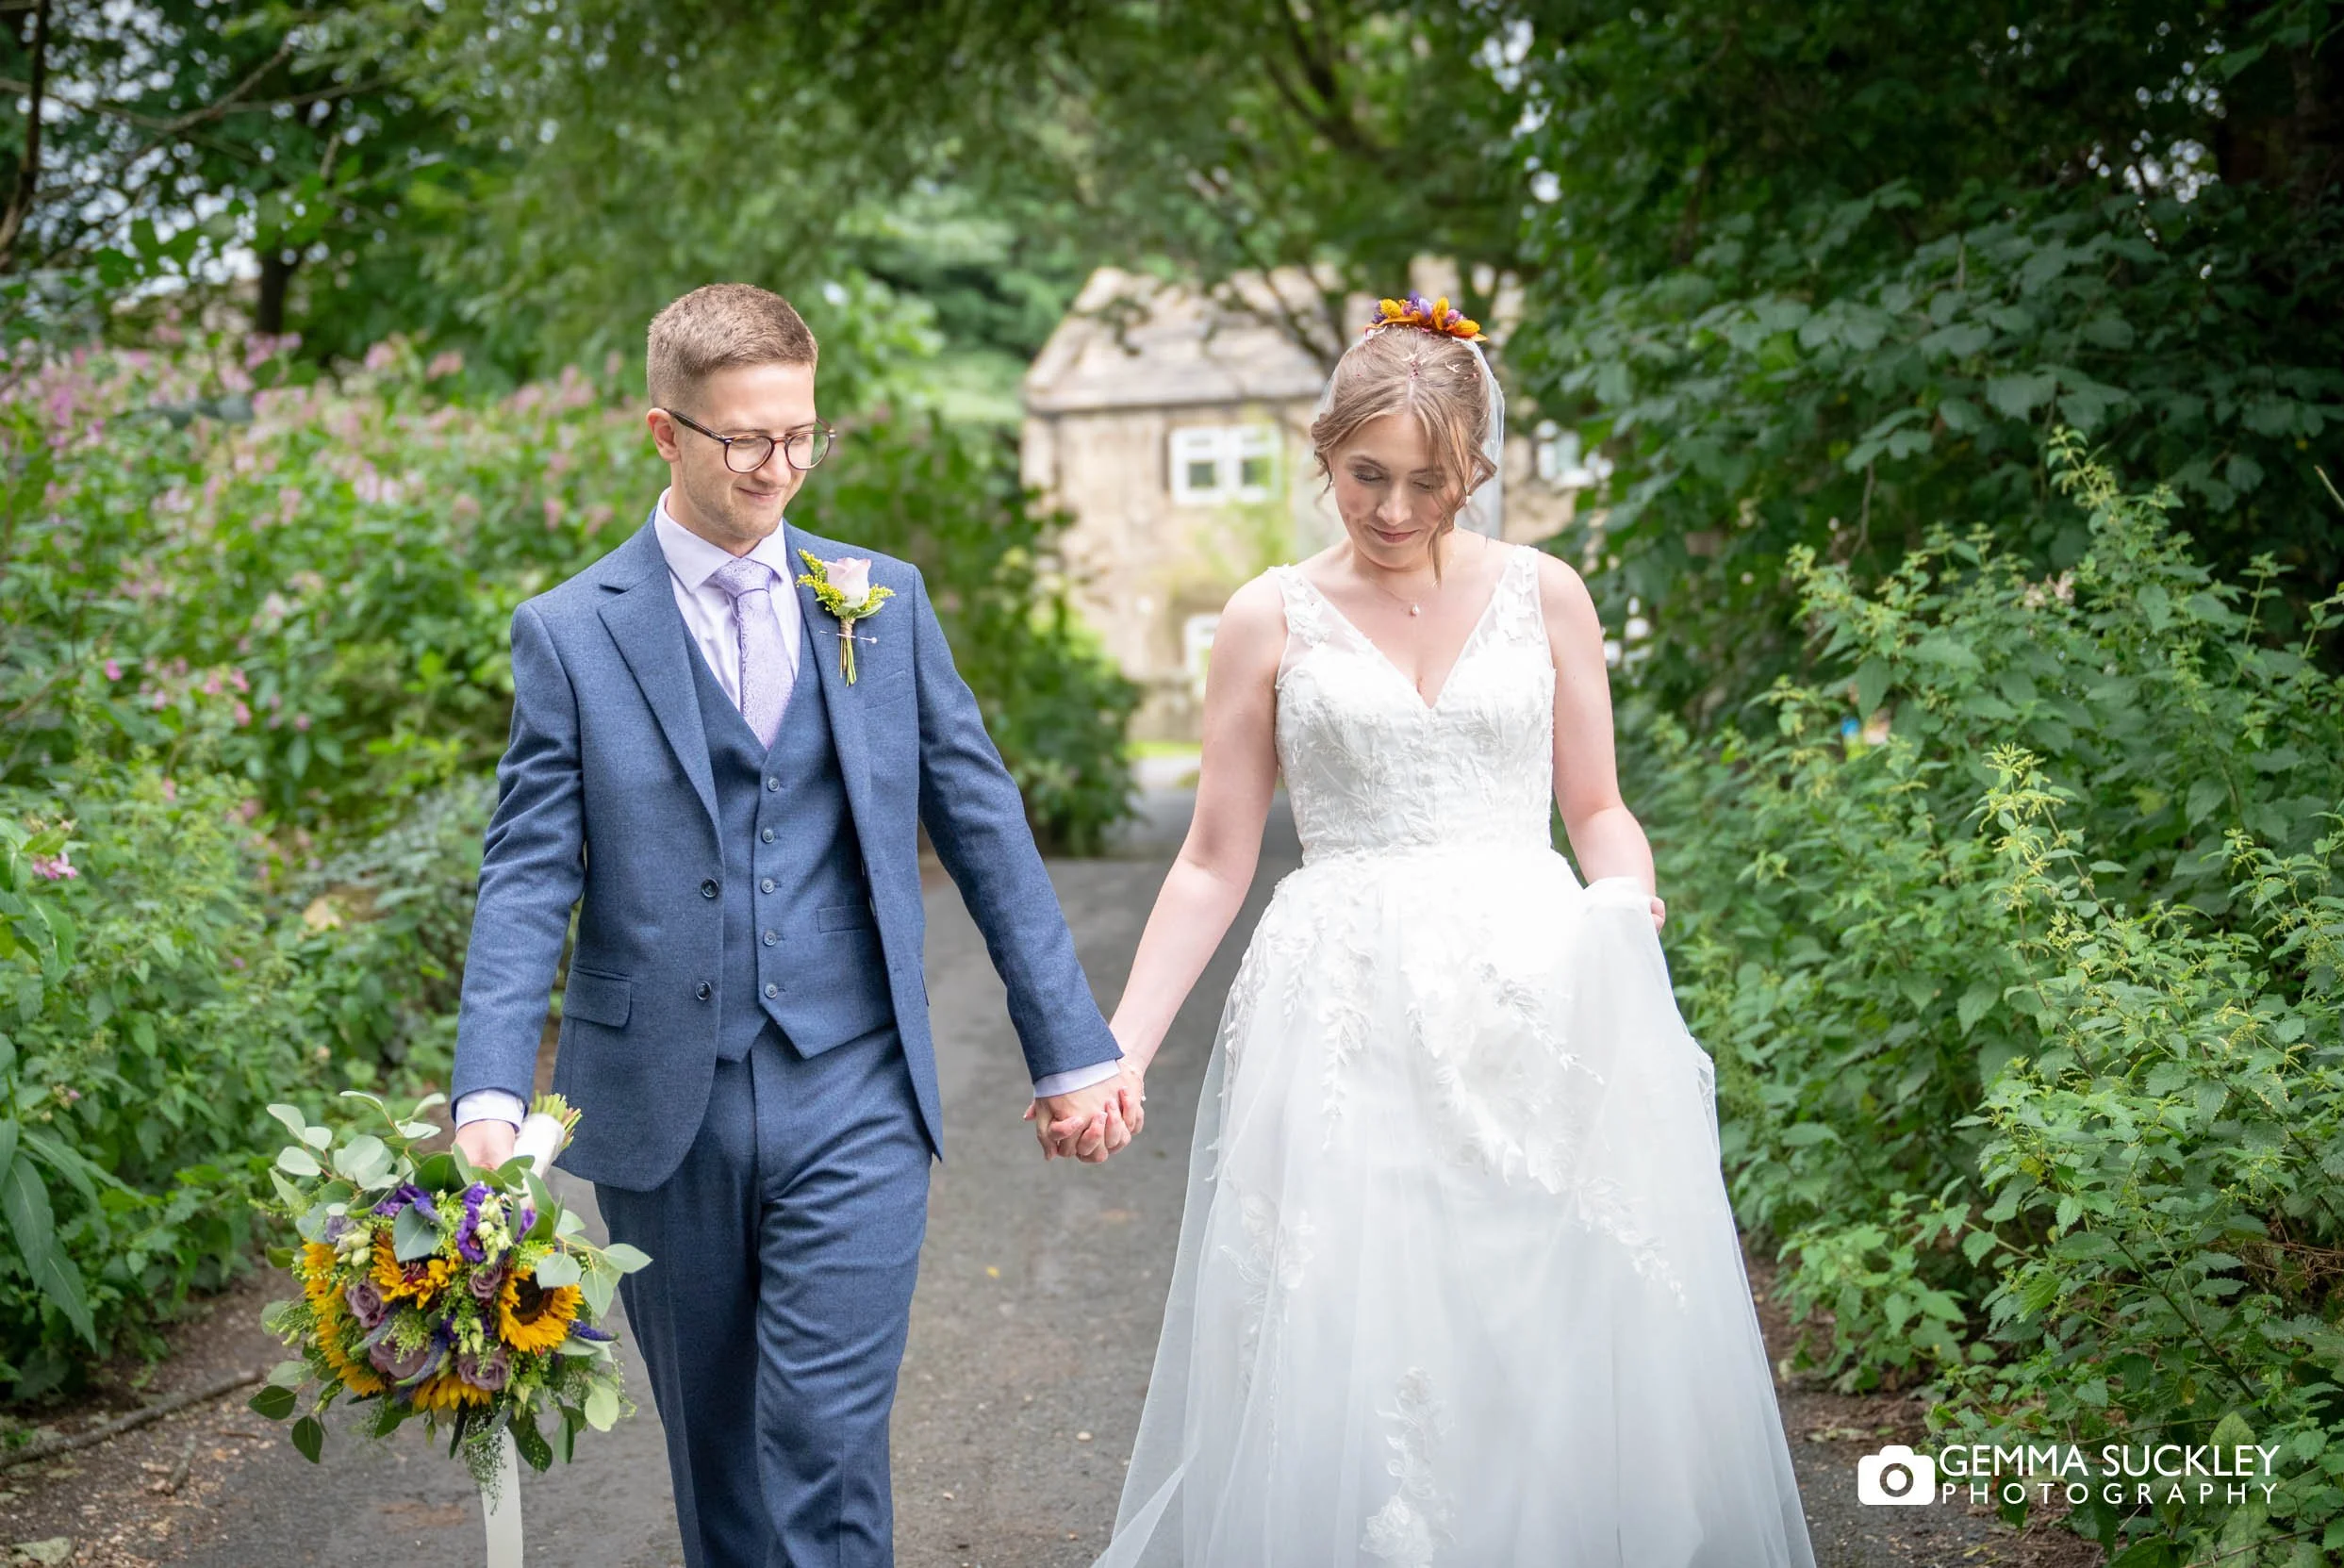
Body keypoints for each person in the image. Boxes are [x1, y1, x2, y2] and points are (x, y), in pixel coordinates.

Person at [1091, 295, 1818, 1565]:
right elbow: (1214, 857)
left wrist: (1624, 902)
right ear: (1324, 452)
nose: (1391, 509)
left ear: (1476, 470)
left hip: (1529, 979)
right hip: (1341, 1007)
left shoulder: (1549, 594)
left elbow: (1596, 807)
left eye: (1429, 482)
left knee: (1531, 1301)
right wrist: (1125, 1045)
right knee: (1355, 1322)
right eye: (1365, 475)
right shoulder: (1267, 616)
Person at [446, 282, 1139, 1568]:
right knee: (719, 1464)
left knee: (821, 1441)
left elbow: (983, 825)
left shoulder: (881, 598)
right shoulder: (570, 634)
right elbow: (529, 869)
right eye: (746, 440)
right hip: (661, 1107)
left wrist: (1072, 1046)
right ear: (665, 432)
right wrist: (490, 1086)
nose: (781, 466)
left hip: (855, 1085)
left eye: (802, 435)